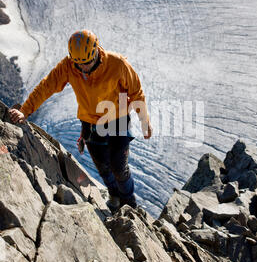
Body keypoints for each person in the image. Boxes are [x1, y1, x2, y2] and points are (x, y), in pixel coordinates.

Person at [9, 30, 152, 211]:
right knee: (103, 167)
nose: (83, 68)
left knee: (119, 167)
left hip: (117, 119)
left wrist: (144, 121)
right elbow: (47, 86)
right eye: (79, 63)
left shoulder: (117, 64)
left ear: (96, 51)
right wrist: (25, 111)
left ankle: (129, 204)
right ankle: (115, 196)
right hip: (90, 123)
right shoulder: (69, 66)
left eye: (87, 62)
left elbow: (136, 92)